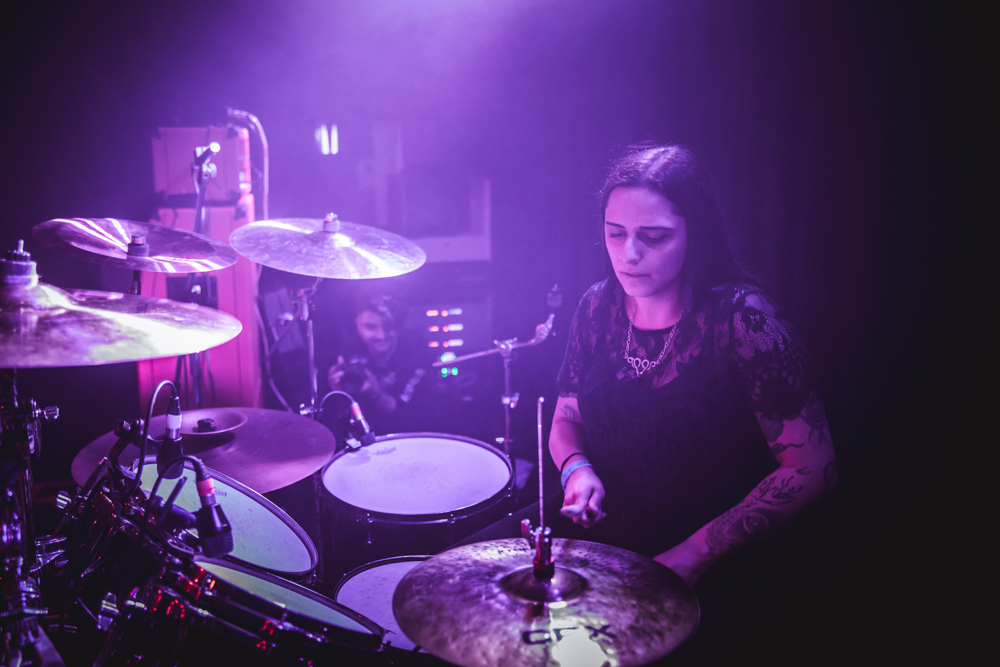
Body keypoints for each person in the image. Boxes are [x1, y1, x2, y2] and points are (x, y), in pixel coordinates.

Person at [551, 144, 837, 586]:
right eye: (615, 233)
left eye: (654, 237)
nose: (629, 254)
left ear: (695, 233)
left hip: (709, 557)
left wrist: (695, 553)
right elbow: (566, 420)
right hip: (608, 537)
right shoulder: (596, 306)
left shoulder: (743, 319)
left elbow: (813, 468)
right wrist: (577, 470)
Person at [326, 294, 431, 435]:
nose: (381, 336)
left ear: (400, 325)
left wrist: (375, 393)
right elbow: (341, 417)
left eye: (389, 327)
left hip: (411, 433)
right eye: (371, 327)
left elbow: (406, 414)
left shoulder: (416, 350)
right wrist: (339, 391)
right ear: (357, 323)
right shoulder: (348, 349)